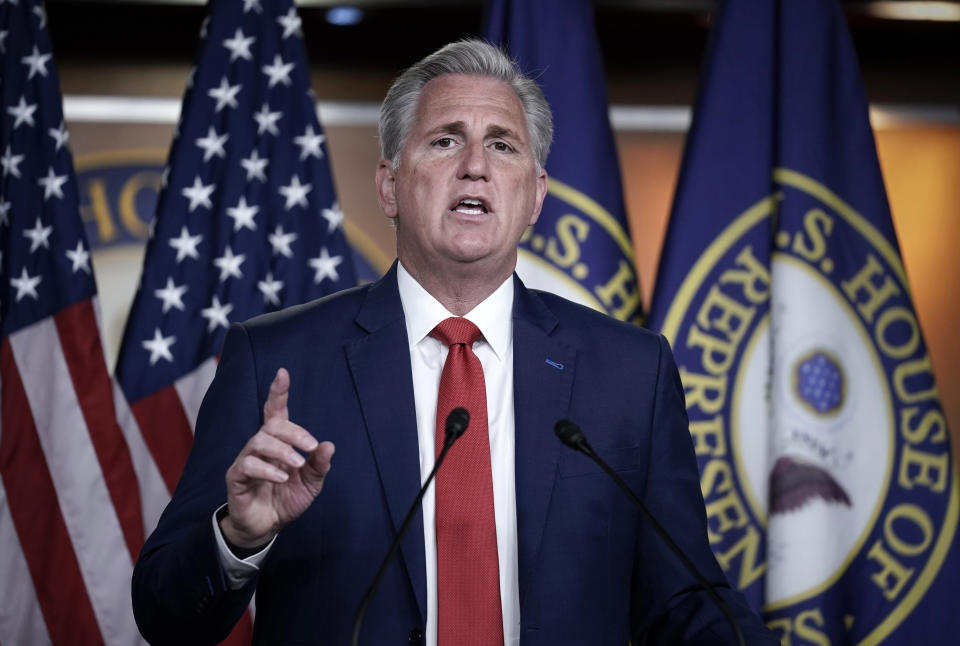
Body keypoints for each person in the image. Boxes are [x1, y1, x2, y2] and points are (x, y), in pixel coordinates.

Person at [132, 39, 777, 645]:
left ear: (536, 197)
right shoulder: (275, 363)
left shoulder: (630, 375)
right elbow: (165, 615)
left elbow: (688, 605)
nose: (475, 166)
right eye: (446, 141)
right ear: (389, 186)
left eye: (503, 146)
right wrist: (237, 539)